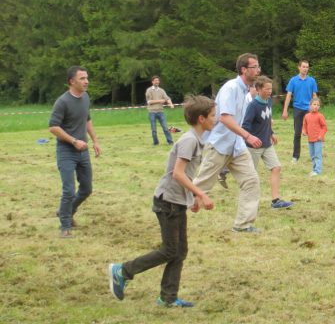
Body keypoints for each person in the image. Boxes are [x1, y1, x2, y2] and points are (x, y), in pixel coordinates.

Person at [109, 95, 216, 308]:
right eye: (214, 115)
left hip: (177, 202)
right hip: (167, 202)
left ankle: (168, 298)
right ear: (201, 118)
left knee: (179, 251)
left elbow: (187, 174)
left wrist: (193, 195)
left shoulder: (198, 139)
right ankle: (123, 270)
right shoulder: (189, 140)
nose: (217, 119)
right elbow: (177, 173)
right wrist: (201, 194)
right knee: (169, 250)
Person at [193, 53, 263, 233]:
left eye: (258, 66)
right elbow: (225, 118)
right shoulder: (230, 88)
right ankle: (171, 208)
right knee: (200, 186)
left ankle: (242, 225)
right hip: (220, 144)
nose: (258, 70)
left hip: (236, 147)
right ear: (243, 70)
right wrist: (247, 136)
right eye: (254, 67)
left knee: (251, 181)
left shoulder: (246, 91)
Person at [48, 66, 101, 238]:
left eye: (87, 78)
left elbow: (87, 119)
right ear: (72, 81)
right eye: (82, 78)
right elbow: (53, 127)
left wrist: (94, 141)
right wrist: (73, 141)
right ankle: (65, 225)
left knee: (86, 189)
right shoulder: (62, 102)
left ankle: (68, 210)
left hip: (83, 151)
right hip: (66, 151)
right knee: (69, 190)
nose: (86, 81)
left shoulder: (85, 97)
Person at [242, 76, 293, 209]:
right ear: (258, 89)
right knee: (250, 176)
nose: (270, 91)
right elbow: (245, 126)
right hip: (254, 146)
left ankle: (275, 201)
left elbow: (267, 120)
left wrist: (271, 133)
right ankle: (248, 204)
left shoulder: (269, 101)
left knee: (276, 167)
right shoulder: (253, 106)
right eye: (267, 89)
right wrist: (249, 139)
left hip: (267, 143)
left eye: (271, 88)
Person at [282, 60, 318, 163]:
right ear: (299, 67)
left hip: (309, 109)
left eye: (307, 67)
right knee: (297, 133)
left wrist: (316, 108)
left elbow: (314, 96)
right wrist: (285, 110)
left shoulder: (312, 81)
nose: (305, 69)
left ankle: (314, 156)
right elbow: (288, 95)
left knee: (312, 132)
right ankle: (295, 156)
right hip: (297, 108)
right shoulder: (293, 80)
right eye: (303, 67)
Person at [145, 75, 175, 146]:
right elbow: (149, 102)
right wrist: (160, 100)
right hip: (152, 112)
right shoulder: (149, 90)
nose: (157, 82)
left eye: (158, 81)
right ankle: (156, 143)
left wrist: (171, 104)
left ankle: (170, 142)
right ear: (152, 82)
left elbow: (167, 98)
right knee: (154, 130)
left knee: (165, 128)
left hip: (161, 112)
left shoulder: (162, 90)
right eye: (155, 80)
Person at [302, 97, 328, 176]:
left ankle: (317, 170)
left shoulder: (320, 116)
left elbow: (324, 127)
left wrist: (321, 135)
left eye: (318, 105)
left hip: (318, 140)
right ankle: (314, 169)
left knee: (317, 155)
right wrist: (304, 131)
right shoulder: (307, 116)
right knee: (312, 155)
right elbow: (304, 126)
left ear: (319, 107)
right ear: (310, 105)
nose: (316, 106)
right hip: (310, 139)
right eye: (314, 104)